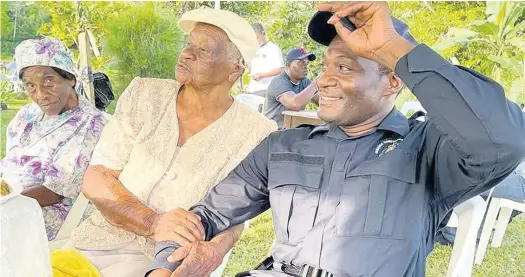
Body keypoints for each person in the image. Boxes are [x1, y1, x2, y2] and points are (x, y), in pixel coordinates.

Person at [147, 2, 525, 277]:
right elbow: (208, 215)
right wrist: (165, 267)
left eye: (345, 67)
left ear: (393, 80)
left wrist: (392, 49)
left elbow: (503, 140)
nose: (323, 80)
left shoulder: (428, 150)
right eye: (325, 66)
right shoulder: (284, 147)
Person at [65, 8, 277, 277]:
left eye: (205, 50)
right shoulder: (145, 94)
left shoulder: (255, 131)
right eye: (189, 45)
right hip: (96, 243)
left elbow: (235, 212)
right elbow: (97, 176)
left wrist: (215, 251)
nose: (187, 54)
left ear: (235, 69)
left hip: (169, 260)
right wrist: (152, 221)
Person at [0, 38, 107, 241]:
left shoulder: (92, 125)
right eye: (30, 85)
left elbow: (54, 191)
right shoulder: (27, 114)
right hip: (10, 199)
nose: (40, 94)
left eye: (48, 81)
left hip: (47, 211)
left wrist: (6, 203)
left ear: (71, 78)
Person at [263, 48, 319, 128]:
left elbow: (321, 101)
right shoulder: (279, 81)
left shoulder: (305, 82)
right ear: (288, 65)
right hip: (272, 131)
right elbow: (294, 104)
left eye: (306, 63)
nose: (305, 67)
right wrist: (316, 83)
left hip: (291, 129)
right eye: (300, 63)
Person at [246, 23, 284, 98]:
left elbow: (280, 69)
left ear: (263, 33)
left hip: (266, 89)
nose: (256, 41)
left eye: (257, 38)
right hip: (252, 90)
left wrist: (262, 75)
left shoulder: (272, 48)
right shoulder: (254, 49)